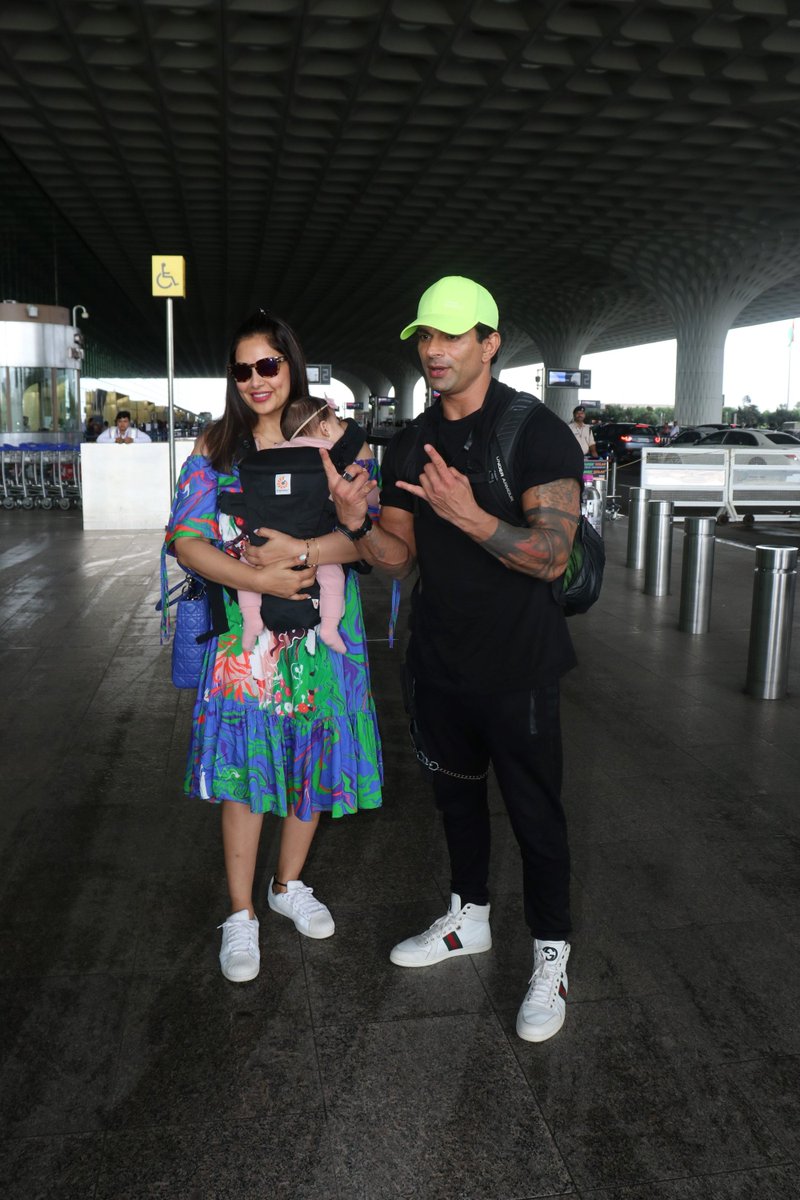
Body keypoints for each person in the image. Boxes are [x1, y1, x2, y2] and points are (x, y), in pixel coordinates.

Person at [320, 275, 583, 1043]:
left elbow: (553, 557)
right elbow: (398, 561)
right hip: (438, 662)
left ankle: (553, 954)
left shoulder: (535, 432)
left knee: (537, 816)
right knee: (457, 802)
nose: (433, 350)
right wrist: (360, 523)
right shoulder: (408, 440)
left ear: (489, 342)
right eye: (424, 338)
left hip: (520, 666)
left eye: (450, 335)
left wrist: (471, 517)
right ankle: (468, 917)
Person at [163, 310, 383, 984]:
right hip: (245, 638)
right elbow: (186, 538)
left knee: (315, 755)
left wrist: (311, 549)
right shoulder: (215, 448)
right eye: (242, 369)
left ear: (291, 363)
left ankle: (286, 886)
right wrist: (256, 576)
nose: (257, 380)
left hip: (325, 633)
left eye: (269, 364)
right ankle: (241, 914)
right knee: (242, 771)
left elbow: (370, 535)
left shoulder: (337, 438)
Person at [232, 396, 379, 655]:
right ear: (324, 428)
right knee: (332, 575)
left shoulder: (269, 455)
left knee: (245, 567)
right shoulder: (331, 461)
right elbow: (352, 500)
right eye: (337, 426)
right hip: (315, 545)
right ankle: (330, 627)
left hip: (265, 545)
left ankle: (252, 621)